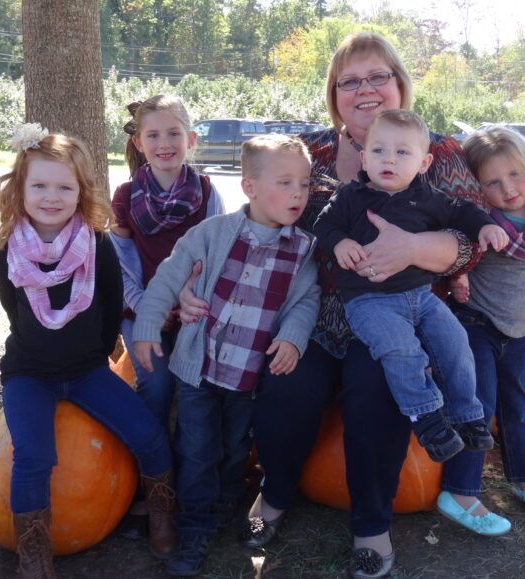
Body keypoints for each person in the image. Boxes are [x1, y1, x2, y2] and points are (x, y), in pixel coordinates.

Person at [178, 32, 483, 578]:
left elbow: (471, 244)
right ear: (334, 92)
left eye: (378, 77)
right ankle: (274, 495)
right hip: (312, 312)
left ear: (400, 84)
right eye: (350, 81)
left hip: (400, 312)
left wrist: (414, 247)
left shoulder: (438, 151)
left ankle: (372, 525)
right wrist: (192, 277)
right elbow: (252, 222)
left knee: (378, 393)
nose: (365, 90)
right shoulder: (306, 151)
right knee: (287, 388)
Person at [0, 126, 177, 579]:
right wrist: (46, 353)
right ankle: (33, 553)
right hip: (29, 373)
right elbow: (14, 313)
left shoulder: (97, 246)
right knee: (33, 457)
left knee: (148, 434)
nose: (50, 196)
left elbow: (112, 305)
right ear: (20, 188)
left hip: (87, 370)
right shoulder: (7, 253)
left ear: (80, 191)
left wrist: (91, 357)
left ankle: (161, 513)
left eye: (63, 187)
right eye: (39, 185)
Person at [131, 134, 320, 577]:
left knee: (235, 449)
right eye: (286, 183)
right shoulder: (212, 234)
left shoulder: (304, 250)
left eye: (306, 184)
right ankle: (194, 528)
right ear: (249, 187)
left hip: (250, 376)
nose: (298, 194)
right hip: (197, 373)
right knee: (198, 451)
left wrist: (292, 338)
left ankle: (224, 507)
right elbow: (168, 277)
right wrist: (146, 325)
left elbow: (305, 302)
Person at [313, 109, 508, 462]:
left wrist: (484, 227)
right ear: (363, 157)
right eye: (379, 151)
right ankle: (427, 418)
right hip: (368, 301)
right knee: (402, 350)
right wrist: (340, 243)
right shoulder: (350, 198)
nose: (389, 159)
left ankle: (467, 414)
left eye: (402, 152)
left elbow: (462, 212)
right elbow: (323, 226)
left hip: (420, 296)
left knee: (455, 342)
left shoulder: (426, 197)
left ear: (423, 162)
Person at [437, 125, 525, 536]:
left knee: (517, 409)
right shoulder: (481, 222)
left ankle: (524, 479)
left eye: (515, 175)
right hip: (474, 323)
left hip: (518, 331)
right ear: (478, 187)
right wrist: (457, 277)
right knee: (477, 404)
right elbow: (453, 258)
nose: (509, 188)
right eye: (493, 182)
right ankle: (460, 490)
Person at [110, 95, 225, 538]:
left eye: (174, 134)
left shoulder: (207, 192)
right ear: (139, 142)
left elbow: (215, 254)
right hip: (142, 308)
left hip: (194, 304)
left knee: (195, 383)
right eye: (153, 135)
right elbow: (120, 264)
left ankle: (201, 476)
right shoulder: (126, 197)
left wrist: (189, 298)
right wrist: (148, 307)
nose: (164, 143)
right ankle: (153, 483)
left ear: (191, 139)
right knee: (155, 384)